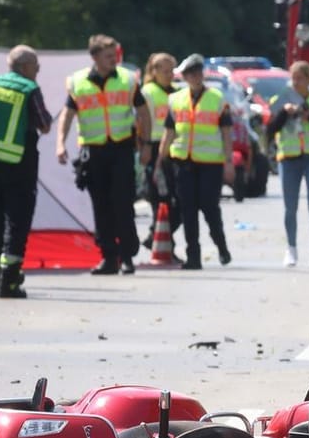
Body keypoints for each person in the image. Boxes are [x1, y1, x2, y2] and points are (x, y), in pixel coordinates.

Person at [58, 34, 149, 275]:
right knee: (101, 206)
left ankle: (127, 256)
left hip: (121, 148)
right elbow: (67, 115)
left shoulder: (127, 80)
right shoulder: (79, 82)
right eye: (108, 56)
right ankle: (109, 257)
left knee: (123, 203)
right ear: (95, 57)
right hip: (93, 150)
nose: (113, 60)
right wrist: (60, 144)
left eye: (115, 56)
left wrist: (146, 143)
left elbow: (143, 112)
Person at [0, 45, 53, 299]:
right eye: (36, 66)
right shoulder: (28, 88)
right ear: (25, 67)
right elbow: (44, 123)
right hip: (19, 160)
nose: (38, 71)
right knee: (17, 220)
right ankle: (9, 279)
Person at [157, 54, 232, 269]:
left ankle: (221, 246)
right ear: (185, 76)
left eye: (198, 73)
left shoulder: (217, 99)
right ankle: (194, 257)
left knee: (209, 208)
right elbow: (169, 132)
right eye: (191, 74)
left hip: (210, 163)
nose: (195, 77)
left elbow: (226, 133)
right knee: (187, 210)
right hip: (183, 162)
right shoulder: (176, 99)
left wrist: (228, 163)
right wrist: (161, 159)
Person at [265, 60, 309, 268]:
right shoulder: (282, 98)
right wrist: (283, 113)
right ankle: (291, 249)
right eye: (293, 78)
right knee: (290, 207)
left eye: (300, 78)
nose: (295, 83)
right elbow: (270, 130)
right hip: (289, 157)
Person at [140, 52, 179, 260]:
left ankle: (155, 235)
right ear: (153, 72)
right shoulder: (148, 92)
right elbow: (142, 122)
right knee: (160, 198)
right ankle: (165, 245)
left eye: (171, 70)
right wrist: (144, 147)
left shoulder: (178, 93)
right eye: (164, 71)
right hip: (156, 150)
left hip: (176, 150)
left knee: (178, 200)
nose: (169, 75)